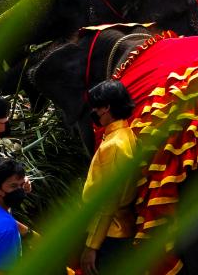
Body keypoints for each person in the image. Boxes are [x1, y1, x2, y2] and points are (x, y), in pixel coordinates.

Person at [80, 80, 138, 274]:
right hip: (120, 229)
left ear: (106, 107)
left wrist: (91, 246)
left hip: (110, 234)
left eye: (95, 107)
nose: (93, 112)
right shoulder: (127, 134)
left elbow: (108, 202)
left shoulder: (113, 146)